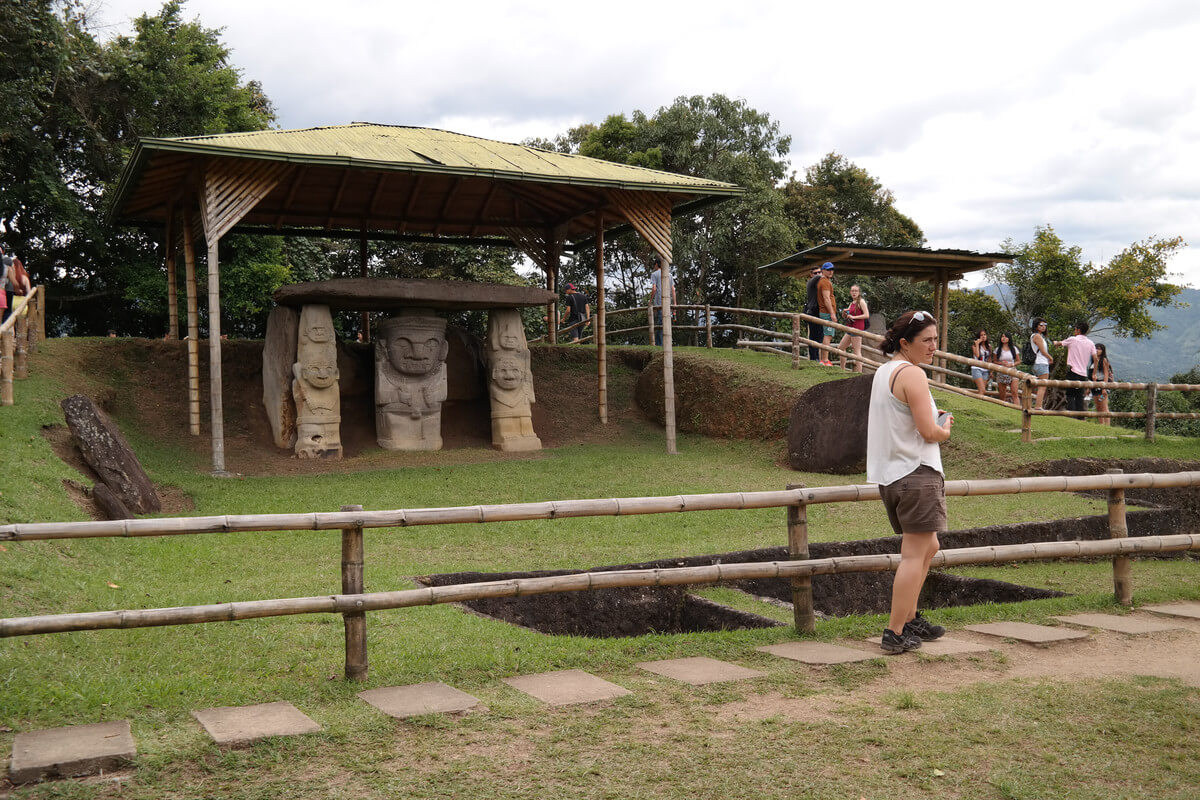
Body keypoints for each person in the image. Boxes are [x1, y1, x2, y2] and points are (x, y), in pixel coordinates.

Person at [867, 310, 953, 654]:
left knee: (927, 548)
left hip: (893, 476)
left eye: (935, 339)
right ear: (905, 343)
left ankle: (911, 617)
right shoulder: (913, 375)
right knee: (914, 555)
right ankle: (895, 630)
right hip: (917, 473)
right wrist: (944, 428)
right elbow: (928, 431)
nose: (933, 347)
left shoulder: (883, 372)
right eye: (926, 341)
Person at [1055, 321, 1097, 414]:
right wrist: (1094, 373)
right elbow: (1096, 358)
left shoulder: (1073, 339)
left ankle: (1071, 414)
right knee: (1079, 395)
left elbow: (1059, 343)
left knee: (1070, 394)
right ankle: (1080, 417)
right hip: (1083, 373)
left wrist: (1054, 342)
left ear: (1078, 330)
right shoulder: (1090, 343)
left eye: (1075, 329)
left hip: (1072, 371)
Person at [836, 284, 869, 372]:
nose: (854, 293)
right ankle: (842, 369)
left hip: (857, 328)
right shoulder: (852, 303)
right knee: (841, 347)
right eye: (852, 291)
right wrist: (844, 313)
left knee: (856, 351)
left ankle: (859, 373)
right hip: (849, 328)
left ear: (859, 292)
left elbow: (866, 315)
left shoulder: (861, 301)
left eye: (856, 291)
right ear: (850, 292)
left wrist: (854, 317)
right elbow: (846, 316)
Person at [649, 256, 675, 347]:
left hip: (659, 302)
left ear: (656, 264)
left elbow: (654, 289)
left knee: (660, 324)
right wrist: (674, 304)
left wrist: (650, 301)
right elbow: (673, 290)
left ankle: (660, 344)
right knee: (667, 323)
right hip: (668, 302)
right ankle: (668, 343)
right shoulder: (670, 275)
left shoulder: (654, 274)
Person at [1029, 318, 1053, 410]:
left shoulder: (1037, 336)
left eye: (1045, 325)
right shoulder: (1037, 336)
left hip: (1039, 363)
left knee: (1040, 386)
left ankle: (1037, 405)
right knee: (1042, 386)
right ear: (1036, 326)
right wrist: (1050, 358)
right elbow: (1043, 351)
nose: (1043, 327)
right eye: (1041, 325)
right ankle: (1038, 406)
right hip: (1041, 363)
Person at [816, 262, 836, 366]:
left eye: (832, 269)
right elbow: (826, 299)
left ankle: (823, 359)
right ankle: (824, 360)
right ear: (823, 270)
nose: (831, 271)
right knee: (828, 336)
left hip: (825, 312)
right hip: (827, 312)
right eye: (828, 269)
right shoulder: (825, 282)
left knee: (827, 335)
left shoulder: (823, 281)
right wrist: (832, 313)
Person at [993, 332, 1021, 406]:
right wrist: (1001, 363)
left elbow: (1018, 361)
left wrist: (1011, 364)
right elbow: (994, 361)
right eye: (1002, 336)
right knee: (1002, 394)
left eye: (1005, 337)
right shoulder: (997, 349)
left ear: (1009, 338)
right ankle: (1003, 409)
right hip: (1001, 371)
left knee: (1014, 392)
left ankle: (1017, 409)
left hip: (1012, 371)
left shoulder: (1014, 349)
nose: (1003, 338)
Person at [1091, 343, 1114, 425]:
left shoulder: (1104, 360)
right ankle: (1101, 425)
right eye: (1096, 348)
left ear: (1103, 351)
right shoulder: (1094, 359)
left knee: (1104, 406)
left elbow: (1106, 374)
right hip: (1095, 385)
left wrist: (1104, 387)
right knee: (1098, 406)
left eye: (1099, 349)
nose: (1097, 350)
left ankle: (1107, 425)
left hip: (1103, 385)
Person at [803, 265, 823, 361]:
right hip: (812, 312)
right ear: (811, 275)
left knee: (820, 337)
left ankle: (817, 358)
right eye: (815, 273)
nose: (818, 275)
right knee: (813, 337)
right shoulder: (810, 283)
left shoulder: (821, 284)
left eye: (819, 272)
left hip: (820, 312)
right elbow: (819, 278)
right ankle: (813, 358)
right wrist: (825, 274)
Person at [970, 328, 991, 395]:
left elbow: (989, 359)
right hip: (977, 368)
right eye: (981, 335)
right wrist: (977, 344)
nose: (983, 336)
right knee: (982, 390)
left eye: (984, 334)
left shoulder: (989, 346)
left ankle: (977, 403)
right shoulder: (974, 346)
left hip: (985, 370)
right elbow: (977, 356)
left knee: (982, 391)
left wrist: (991, 371)